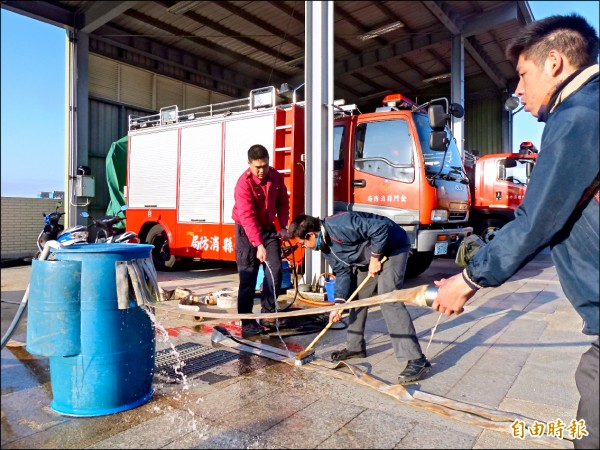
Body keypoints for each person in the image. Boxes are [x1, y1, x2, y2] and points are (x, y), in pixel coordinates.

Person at [432, 14, 598, 449]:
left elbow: (537, 219)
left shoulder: (579, 117)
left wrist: (468, 280)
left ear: (555, 63)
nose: (518, 91)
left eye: (523, 75)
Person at [289, 212, 431, 384]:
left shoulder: (340, 224)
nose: (304, 247)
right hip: (370, 256)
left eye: (303, 243)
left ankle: (417, 359)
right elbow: (342, 271)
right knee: (356, 299)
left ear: (311, 234)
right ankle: (355, 347)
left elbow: (380, 229)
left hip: (393, 247)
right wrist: (339, 303)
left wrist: (375, 258)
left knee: (388, 299)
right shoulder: (326, 247)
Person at [232, 144, 290, 338]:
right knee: (248, 277)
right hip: (246, 233)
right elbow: (247, 217)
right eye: (257, 167)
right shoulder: (243, 184)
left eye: (265, 165)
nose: (262, 170)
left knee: (275, 271)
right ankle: (247, 323)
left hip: (268, 229)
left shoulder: (275, 177)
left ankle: (268, 314)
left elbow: (283, 201)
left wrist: (283, 225)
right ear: (249, 164)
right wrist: (258, 245)